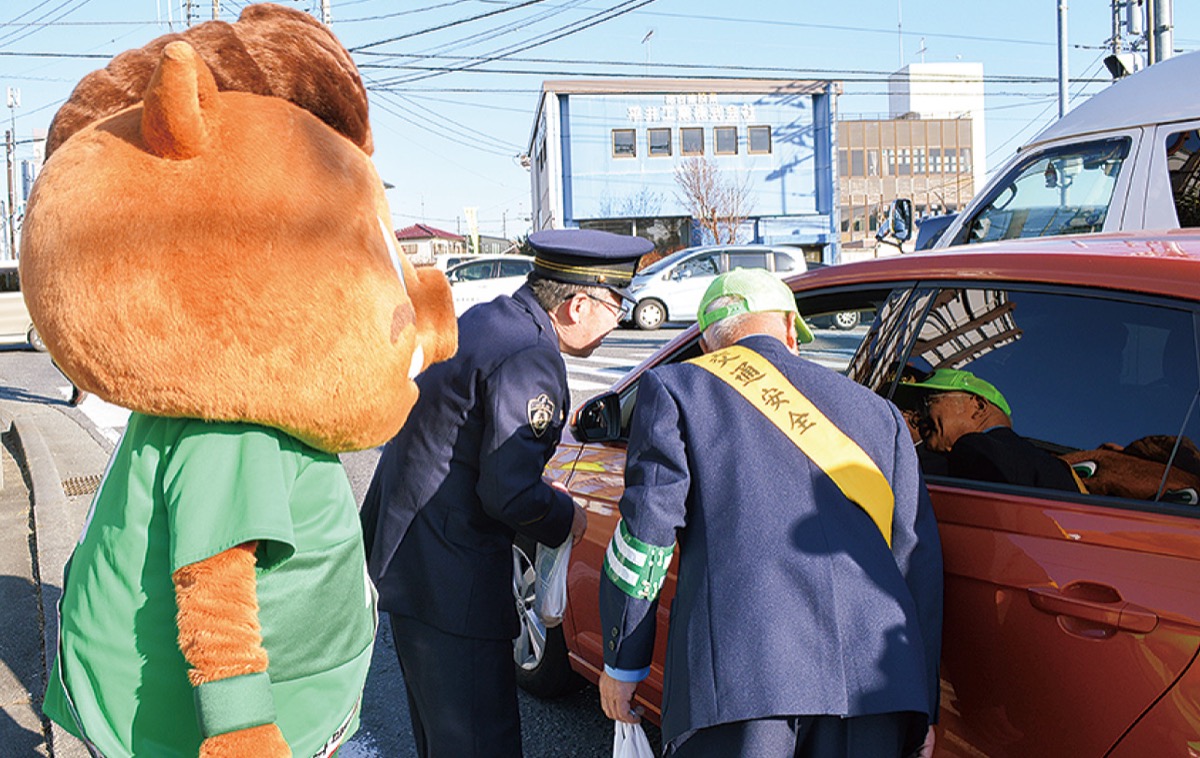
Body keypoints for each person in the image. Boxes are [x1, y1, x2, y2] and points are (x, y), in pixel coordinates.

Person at [598, 268, 943, 758]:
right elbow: (916, 563)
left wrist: (623, 663)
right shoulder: (878, 413)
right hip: (878, 691)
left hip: (744, 687)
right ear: (789, 330)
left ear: (706, 344)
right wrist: (922, 703)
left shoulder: (676, 389)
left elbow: (645, 538)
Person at [360, 227, 652, 758]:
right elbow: (510, 492)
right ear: (578, 305)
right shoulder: (530, 357)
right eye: (618, 304)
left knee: (443, 739)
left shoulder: (487, 321)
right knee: (479, 743)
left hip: (413, 563)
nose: (621, 320)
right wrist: (566, 516)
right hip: (455, 580)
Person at [907, 368, 1080, 492]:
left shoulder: (975, 451)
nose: (919, 419)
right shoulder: (1051, 467)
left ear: (978, 406)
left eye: (927, 403)